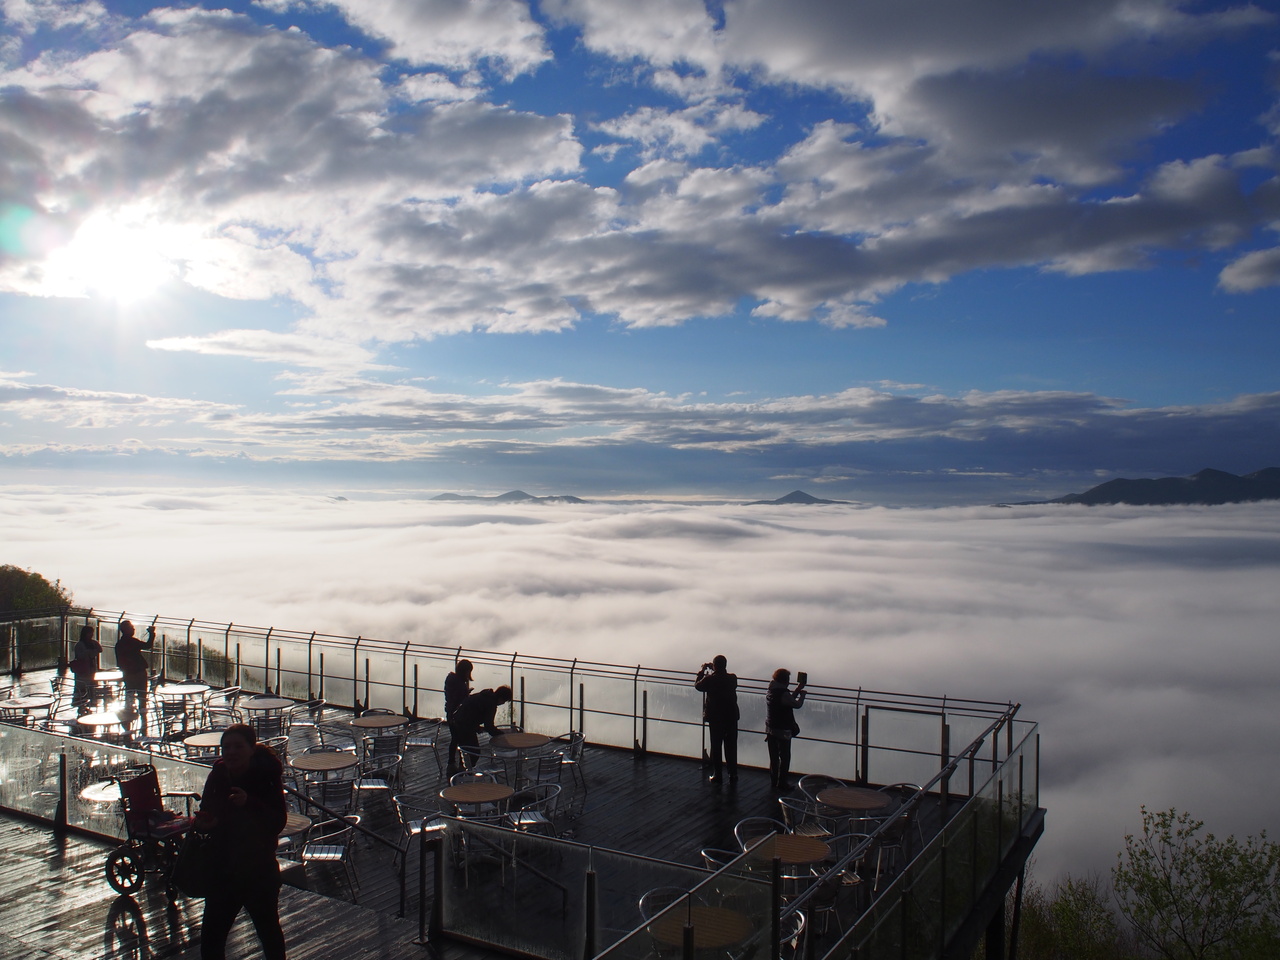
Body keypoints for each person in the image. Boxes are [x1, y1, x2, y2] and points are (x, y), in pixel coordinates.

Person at [197, 724, 288, 960]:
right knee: (211, 940)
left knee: (268, 933)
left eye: (238, 746)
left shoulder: (266, 776)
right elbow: (207, 809)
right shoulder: (217, 775)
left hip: (258, 871)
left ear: (251, 749)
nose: (231, 752)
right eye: (226, 747)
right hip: (223, 869)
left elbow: (277, 822)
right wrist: (205, 823)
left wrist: (249, 803)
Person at [694, 655, 739, 785]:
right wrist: (715, 669)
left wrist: (702, 671)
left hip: (716, 717)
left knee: (716, 746)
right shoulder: (732, 678)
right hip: (731, 716)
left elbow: (697, 686)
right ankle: (732, 773)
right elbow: (722, 677)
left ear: (715, 666)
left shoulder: (710, 680)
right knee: (731, 746)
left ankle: (718, 774)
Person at [765, 668, 806, 792]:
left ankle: (774, 780)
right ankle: (782, 782)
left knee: (773, 757)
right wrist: (802, 696)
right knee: (784, 757)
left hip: (770, 728)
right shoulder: (783, 693)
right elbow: (795, 704)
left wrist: (798, 689)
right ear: (784, 680)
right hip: (782, 729)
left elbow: (787, 701)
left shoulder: (771, 690)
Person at [451, 685, 513, 765]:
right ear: (501, 698)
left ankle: (459, 767)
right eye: (504, 701)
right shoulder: (491, 704)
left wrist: (476, 727)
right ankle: (467, 770)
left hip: (456, 720)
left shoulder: (484, 695)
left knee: (465, 750)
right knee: (474, 753)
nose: (502, 703)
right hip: (464, 726)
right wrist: (502, 736)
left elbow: (472, 711)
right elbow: (489, 726)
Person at [115, 620, 154, 719]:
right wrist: (151, 634)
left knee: (130, 695)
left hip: (128, 673)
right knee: (142, 695)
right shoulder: (132, 642)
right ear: (126, 630)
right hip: (138, 672)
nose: (134, 629)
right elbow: (147, 645)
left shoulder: (119, 644)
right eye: (132, 628)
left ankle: (128, 715)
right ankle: (143, 716)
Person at [443, 659, 473, 773]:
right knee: (462, 740)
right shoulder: (460, 684)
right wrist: (466, 695)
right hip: (458, 716)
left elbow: (453, 698)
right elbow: (459, 700)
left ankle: (451, 763)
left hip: (450, 713)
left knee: (455, 739)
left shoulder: (451, 680)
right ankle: (462, 764)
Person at [69, 624, 103, 710]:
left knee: (89, 686)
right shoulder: (80, 645)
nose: (91, 635)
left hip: (90, 669)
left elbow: (100, 649)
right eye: (90, 633)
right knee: (82, 687)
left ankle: (85, 704)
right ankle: (82, 704)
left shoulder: (92, 643)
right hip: (84, 670)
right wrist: (91, 652)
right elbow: (82, 656)